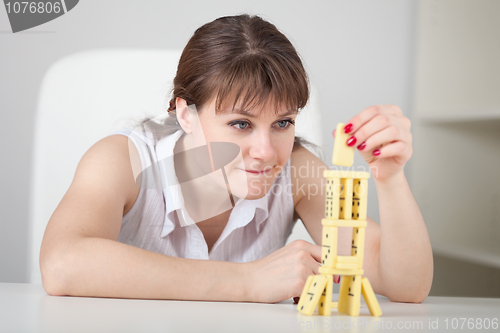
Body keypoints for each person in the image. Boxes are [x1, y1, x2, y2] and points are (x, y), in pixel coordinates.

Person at [40, 14, 433, 304]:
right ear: (185, 113)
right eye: (241, 124)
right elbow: (62, 264)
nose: (265, 151)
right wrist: (247, 282)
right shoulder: (122, 160)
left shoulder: (297, 171)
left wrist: (391, 178)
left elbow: (404, 283)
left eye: (282, 122)